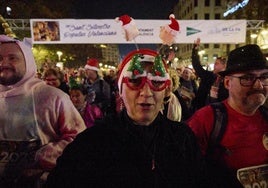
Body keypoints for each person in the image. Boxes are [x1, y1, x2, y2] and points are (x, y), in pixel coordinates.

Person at [45, 49, 211, 188]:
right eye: (134, 81)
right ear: (120, 91)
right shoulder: (93, 142)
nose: (146, 93)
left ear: (167, 91)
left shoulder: (182, 138)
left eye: (157, 82)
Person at [0, 35, 86, 187]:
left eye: (12, 58)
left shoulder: (53, 97)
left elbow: (79, 139)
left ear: (28, 62)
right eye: (0, 58)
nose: (4, 63)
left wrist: (41, 158)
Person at [187, 44, 268, 187]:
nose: (259, 86)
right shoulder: (206, 120)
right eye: (248, 78)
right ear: (228, 82)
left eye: (264, 77)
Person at [191, 38, 228, 112]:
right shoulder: (208, 75)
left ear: (224, 66)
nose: (214, 65)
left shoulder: (228, 80)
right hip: (203, 110)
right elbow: (197, 66)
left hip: (219, 112)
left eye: (217, 64)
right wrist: (195, 50)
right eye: (214, 63)